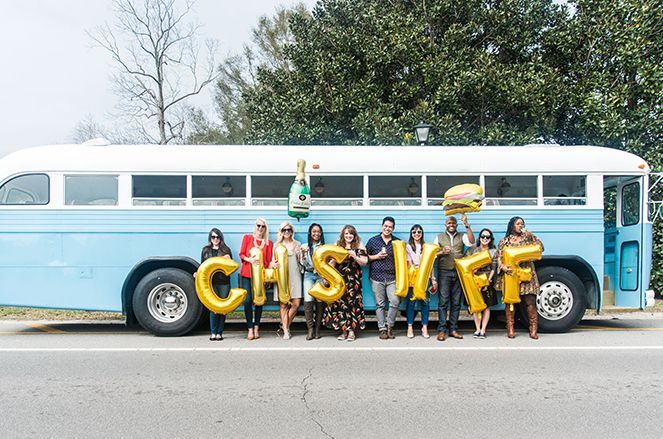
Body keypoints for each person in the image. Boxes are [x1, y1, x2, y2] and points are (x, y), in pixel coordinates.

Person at [496, 216, 544, 339]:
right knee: (510, 302)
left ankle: (533, 329)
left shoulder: (528, 238)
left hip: (526, 273)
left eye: (522, 224)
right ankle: (510, 328)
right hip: (511, 274)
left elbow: (540, 247)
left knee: (530, 301)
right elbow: (499, 257)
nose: (520, 226)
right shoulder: (505, 241)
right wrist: (502, 267)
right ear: (512, 225)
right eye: (518, 224)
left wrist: (529, 234)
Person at [434, 214, 475, 341]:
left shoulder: (462, 236)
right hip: (444, 272)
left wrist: (466, 224)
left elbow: (472, 241)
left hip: (458, 272)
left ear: (456, 225)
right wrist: (441, 252)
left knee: (456, 303)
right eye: (449, 223)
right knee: (443, 302)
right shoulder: (439, 237)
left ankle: (453, 329)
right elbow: (433, 254)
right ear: (445, 225)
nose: (451, 225)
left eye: (453, 223)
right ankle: (442, 330)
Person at [323, 225, 367, 342]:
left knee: (353, 304)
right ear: (343, 234)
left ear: (354, 235)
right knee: (340, 304)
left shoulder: (359, 245)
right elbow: (331, 262)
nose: (348, 236)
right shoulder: (337, 245)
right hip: (339, 279)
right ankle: (343, 331)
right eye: (346, 234)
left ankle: (352, 332)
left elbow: (364, 262)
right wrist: (327, 277)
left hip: (354, 279)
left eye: (351, 234)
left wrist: (355, 256)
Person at [238, 218, 274, 340]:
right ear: (255, 226)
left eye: (263, 226)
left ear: (265, 228)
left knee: (259, 301)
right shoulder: (247, 238)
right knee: (247, 301)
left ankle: (257, 327)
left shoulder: (269, 243)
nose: (260, 228)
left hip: (261, 276)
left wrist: (272, 265)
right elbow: (241, 254)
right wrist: (250, 260)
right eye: (258, 225)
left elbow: (268, 261)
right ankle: (250, 328)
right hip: (247, 274)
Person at [365, 216, 400, 339]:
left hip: (392, 278)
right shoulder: (373, 241)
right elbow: (365, 258)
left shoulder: (397, 242)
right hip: (376, 277)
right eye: (386, 226)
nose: (387, 228)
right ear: (382, 226)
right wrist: (377, 256)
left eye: (390, 227)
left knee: (395, 302)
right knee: (380, 304)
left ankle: (390, 326)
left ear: (393, 229)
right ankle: (382, 329)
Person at [199, 228, 232, 341]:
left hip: (224, 282)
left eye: (217, 237)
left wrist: (227, 259)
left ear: (220, 238)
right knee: (213, 308)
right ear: (210, 238)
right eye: (213, 237)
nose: (215, 239)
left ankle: (219, 333)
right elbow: (202, 266)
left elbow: (230, 266)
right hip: (210, 283)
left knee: (222, 308)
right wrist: (197, 273)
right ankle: (213, 332)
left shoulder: (226, 250)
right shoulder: (205, 250)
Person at [405, 224, 437, 339]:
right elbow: (408, 264)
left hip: (425, 277)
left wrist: (433, 279)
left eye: (419, 232)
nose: (416, 234)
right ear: (411, 234)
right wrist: (408, 280)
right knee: (411, 303)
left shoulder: (426, 247)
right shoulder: (408, 247)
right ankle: (410, 326)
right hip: (413, 277)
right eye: (414, 232)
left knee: (425, 303)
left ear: (422, 233)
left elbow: (431, 264)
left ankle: (424, 326)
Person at [465, 228, 498, 339]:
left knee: (486, 306)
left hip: (487, 280)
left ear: (490, 239)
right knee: (476, 306)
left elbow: (493, 268)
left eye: (487, 237)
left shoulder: (493, 251)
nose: (485, 239)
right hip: (475, 281)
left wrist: (488, 281)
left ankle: (483, 330)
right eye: (483, 236)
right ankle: (477, 329)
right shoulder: (474, 251)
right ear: (479, 238)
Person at [272, 221, 302, 340]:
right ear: (281, 232)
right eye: (284, 230)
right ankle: (286, 330)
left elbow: (301, 262)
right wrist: (272, 264)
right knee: (284, 304)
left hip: (295, 274)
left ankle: (285, 325)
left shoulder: (297, 244)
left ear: (292, 231)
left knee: (296, 303)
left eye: (289, 230)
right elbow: (271, 262)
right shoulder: (276, 245)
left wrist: (300, 254)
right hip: (282, 276)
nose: (286, 232)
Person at [300, 223, 326, 340]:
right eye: (314, 231)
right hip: (309, 275)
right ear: (310, 233)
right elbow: (303, 264)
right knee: (308, 300)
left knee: (320, 300)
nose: (316, 234)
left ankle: (317, 329)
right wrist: (304, 253)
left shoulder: (324, 247)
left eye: (318, 232)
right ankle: (310, 329)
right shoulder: (304, 246)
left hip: (320, 276)